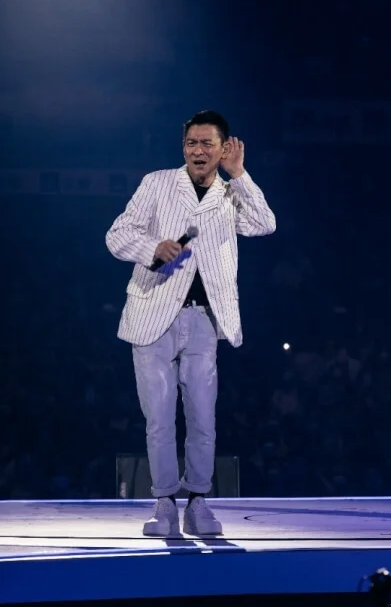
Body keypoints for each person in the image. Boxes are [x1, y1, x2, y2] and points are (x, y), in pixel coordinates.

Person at [106, 110, 276, 536]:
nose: (197, 151)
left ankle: (198, 501)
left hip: (204, 318)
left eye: (206, 144)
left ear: (224, 148)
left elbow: (264, 224)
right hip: (153, 313)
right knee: (159, 417)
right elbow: (117, 235)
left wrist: (240, 175)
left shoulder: (230, 193)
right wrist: (153, 247)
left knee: (202, 415)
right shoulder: (158, 183)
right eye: (191, 143)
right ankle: (164, 503)